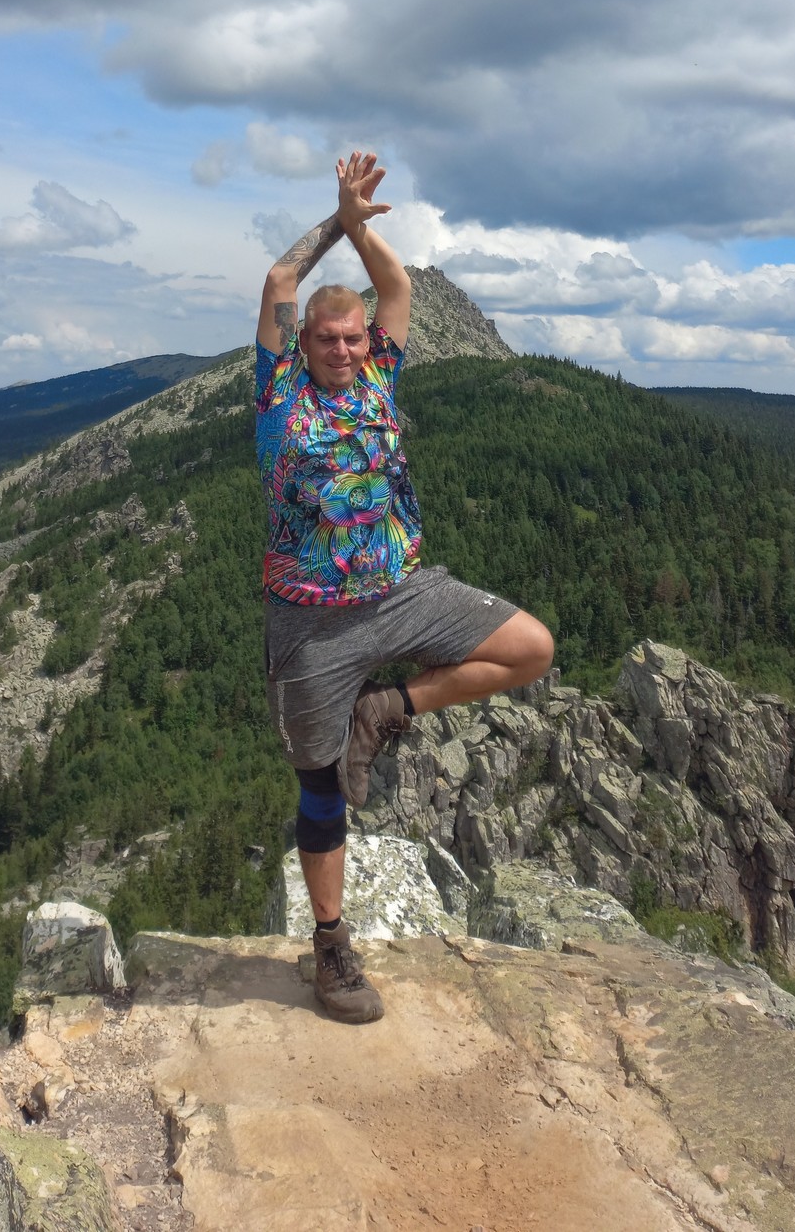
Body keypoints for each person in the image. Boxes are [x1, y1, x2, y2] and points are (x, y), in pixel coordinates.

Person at [256, 151, 554, 1024]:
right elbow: (278, 280)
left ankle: (388, 709)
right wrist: (334, 221)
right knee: (320, 790)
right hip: (311, 621)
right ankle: (331, 944)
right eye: (328, 338)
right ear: (304, 343)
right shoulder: (278, 393)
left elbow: (395, 287)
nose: (345, 349)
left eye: (354, 337)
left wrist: (364, 230)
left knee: (529, 648)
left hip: (401, 590)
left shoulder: (381, 372)